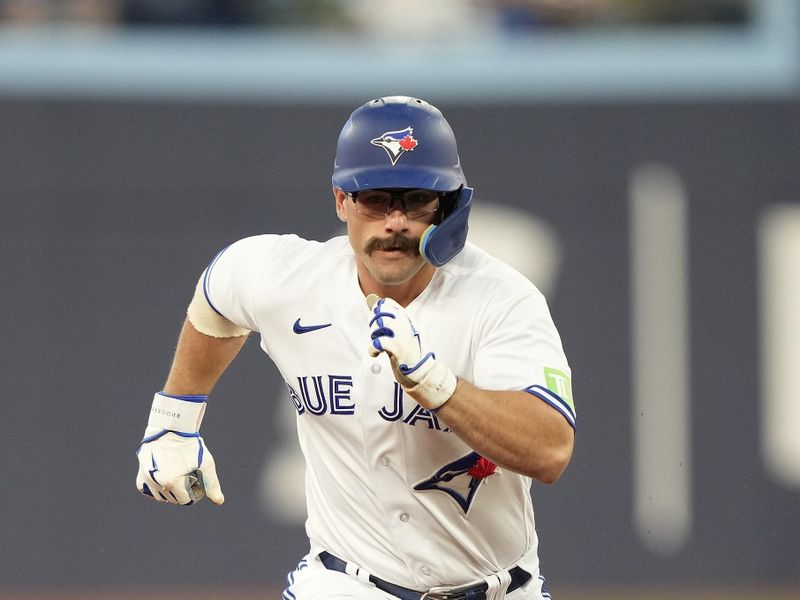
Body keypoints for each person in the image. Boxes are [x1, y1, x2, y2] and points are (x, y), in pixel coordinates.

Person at [135, 95, 576, 600]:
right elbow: (218, 293)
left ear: (448, 205)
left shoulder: (500, 299)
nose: (395, 222)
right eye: (374, 198)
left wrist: (436, 383)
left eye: (415, 199)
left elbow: (550, 449)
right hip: (345, 581)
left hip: (495, 587)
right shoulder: (291, 279)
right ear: (341, 200)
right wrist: (174, 420)